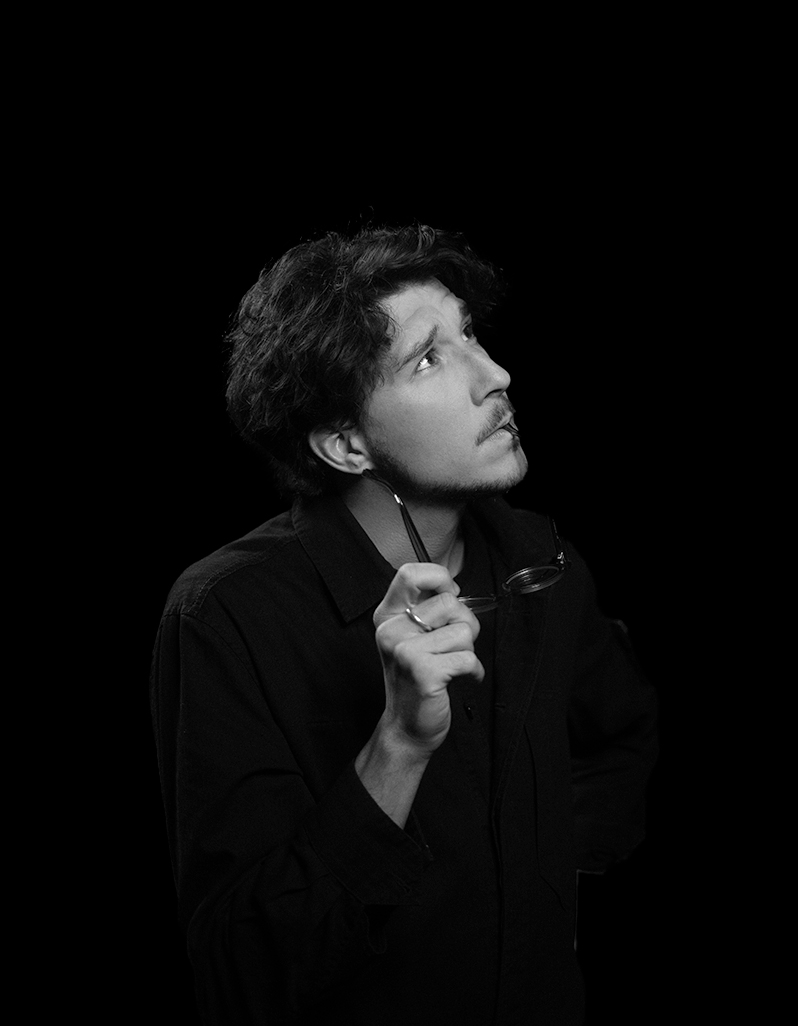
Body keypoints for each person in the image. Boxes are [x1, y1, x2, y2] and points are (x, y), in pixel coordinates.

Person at [149, 224, 658, 1025]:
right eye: (427, 359)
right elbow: (243, 974)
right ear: (347, 444)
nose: (495, 376)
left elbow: (624, 738)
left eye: (470, 335)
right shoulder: (226, 615)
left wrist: (548, 878)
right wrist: (399, 744)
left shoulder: (543, 560)